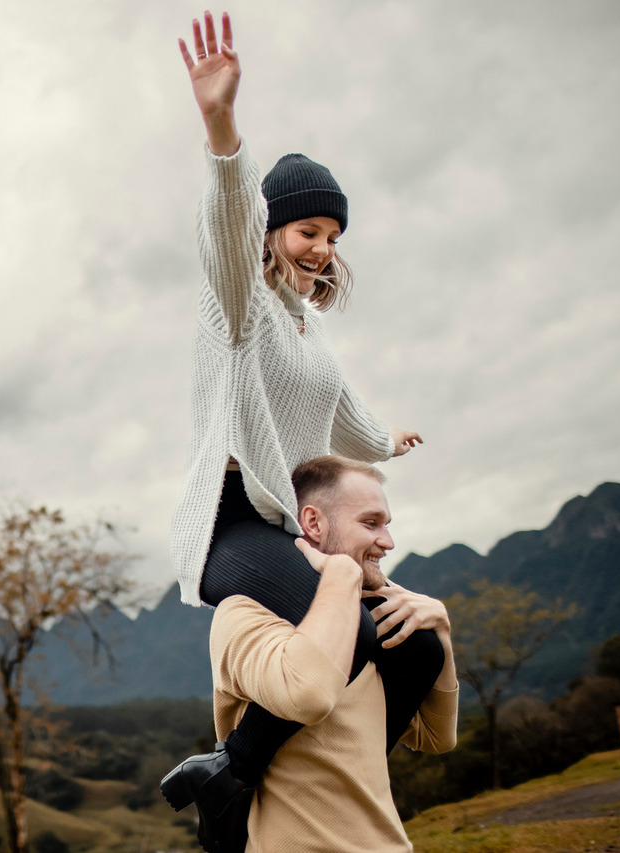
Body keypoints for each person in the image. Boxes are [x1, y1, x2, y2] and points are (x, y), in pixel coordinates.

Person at [160, 10, 447, 850]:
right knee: (352, 632)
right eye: (307, 231)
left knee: (415, 649)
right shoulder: (238, 305)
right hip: (233, 524)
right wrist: (222, 131)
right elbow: (227, 228)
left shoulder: (308, 325)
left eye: (331, 236)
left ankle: (276, 770)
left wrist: (386, 440)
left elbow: (342, 409)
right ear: (274, 230)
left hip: (286, 525)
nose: (322, 248)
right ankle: (233, 772)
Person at [167, 455, 459, 852]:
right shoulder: (245, 612)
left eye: (387, 525)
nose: (388, 542)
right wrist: (341, 574)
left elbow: (436, 738)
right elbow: (309, 693)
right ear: (314, 523)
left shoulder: (380, 624)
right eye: (370, 523)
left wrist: (441, 630)